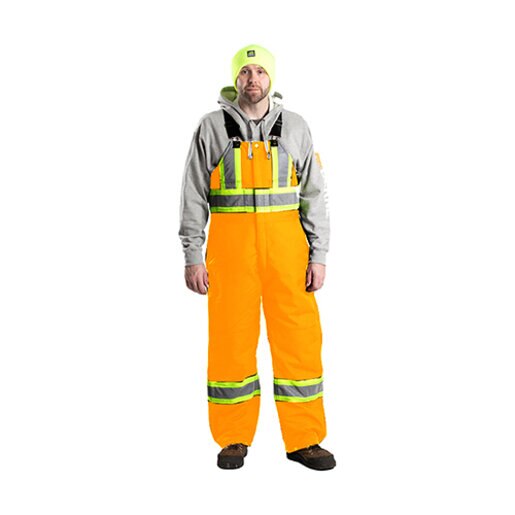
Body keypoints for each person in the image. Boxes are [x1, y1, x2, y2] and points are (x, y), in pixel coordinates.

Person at [179, 44, 335, 471]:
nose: (253, 79)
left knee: (300, 342)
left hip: (289, 253)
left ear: (271, 78)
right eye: (245, 72)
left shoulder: (296, 126)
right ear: (235, 79)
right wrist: (193, 254)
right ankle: (232, 437)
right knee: (230, 340)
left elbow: (314, 195)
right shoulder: (211, 127)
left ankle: (305, 439)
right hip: (230, 254)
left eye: (260, 71)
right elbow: (193, 193)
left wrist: (318, 255)